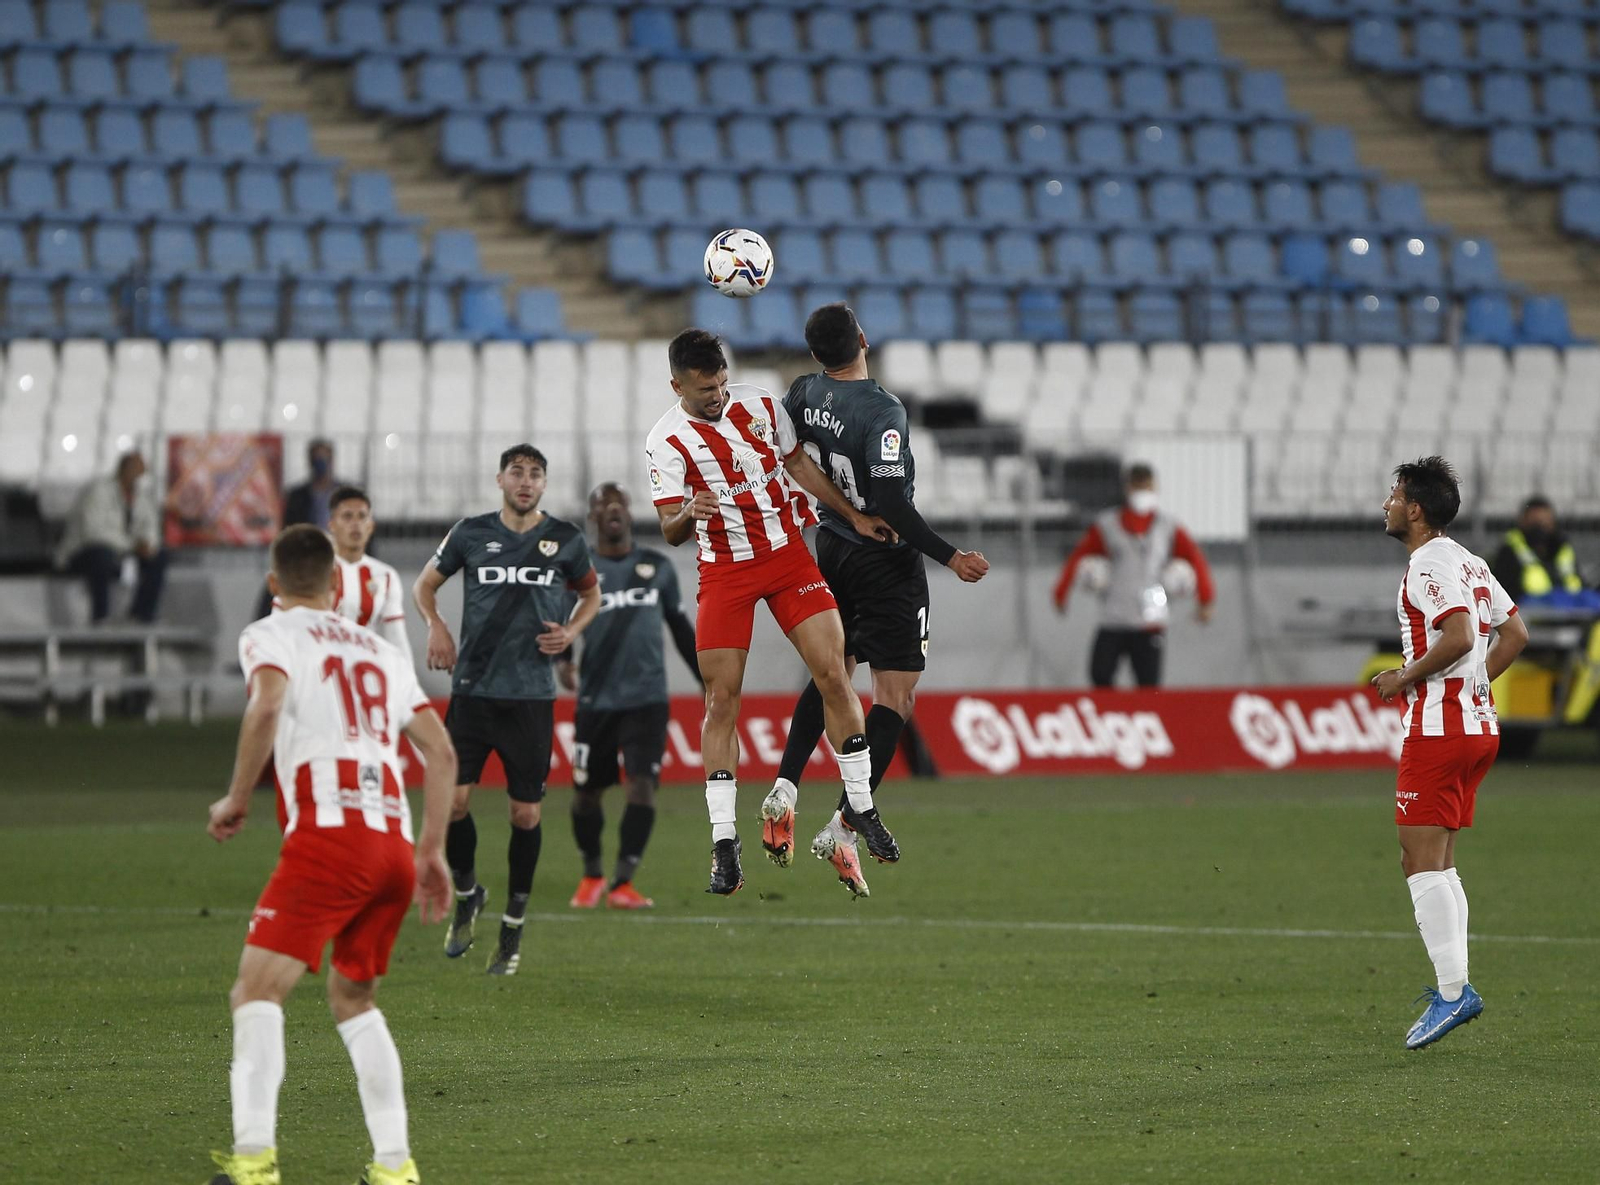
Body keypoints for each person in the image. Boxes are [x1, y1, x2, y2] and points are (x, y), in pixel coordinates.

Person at [202, 524, 458, 1185]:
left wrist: (236, 798)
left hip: (330, 838)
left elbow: (267, 705)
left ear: (273, 584)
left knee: (255, 991)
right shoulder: (380, 651)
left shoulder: (269, 633)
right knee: (353, 1000)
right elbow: (441, 752)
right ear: (338, 582)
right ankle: (395, 1166)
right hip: (393, 844)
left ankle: (254, 1161)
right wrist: (431, 850)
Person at [645, 328, 898, 897]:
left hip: (787, 558)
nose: (717, 395)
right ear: (678, 386)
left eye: (721, 383)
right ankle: (723, 844)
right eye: (705, 389)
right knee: (721, 700)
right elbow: (669, 529)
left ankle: (861, 808)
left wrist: (854, 517)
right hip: (725, 573)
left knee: (834, 673)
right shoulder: (666, 441)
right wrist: (688, 512)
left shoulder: (761, 404)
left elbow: (799, 466)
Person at [766, 303, 989, 898]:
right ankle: (843, 828)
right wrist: (950, 556)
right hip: (884, 558)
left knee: (833, 673)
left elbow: (785, 452)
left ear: (816, 354)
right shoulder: (881, 410)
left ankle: (786, 786)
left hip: (831, 546)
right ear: (863, 339)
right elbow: (889, 501)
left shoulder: (803, 392)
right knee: (894, 695)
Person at [412, 444, 600, 976]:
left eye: (535, 473)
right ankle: (468, 893)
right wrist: (436, 625)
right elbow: (424, 586)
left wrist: (571, 633)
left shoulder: (565, 539)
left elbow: (592, 596)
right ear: (500, 480)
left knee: (526, 815)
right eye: (517, 472)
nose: (525, 481)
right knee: (453, 804)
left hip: (531, 698)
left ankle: (513, 924)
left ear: (544, 484)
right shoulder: (470, 533)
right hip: (473, 691)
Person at [1370, 456, 1528, 1050]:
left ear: (1414, 509)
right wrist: (1474, 687)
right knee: (1439, 862)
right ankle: (1455, 988)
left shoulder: (1429, 563)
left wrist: (1405, 677)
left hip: (1440, 732)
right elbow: (1515, 633)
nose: (1386, 504)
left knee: (1418, 861)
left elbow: (1459, 635)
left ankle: (1454, 992)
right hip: (1476, 727)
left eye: (1394, 496)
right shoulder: (1470, 560)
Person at [558, 482, 701, 910]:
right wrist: (563, 661)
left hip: (647, 699)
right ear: (593, 516)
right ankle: (592, 874)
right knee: (586, 794)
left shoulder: (657, 567)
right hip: (596, 701)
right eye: (604, 504)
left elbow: (680, 628)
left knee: (641, 787)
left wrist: (708, 681)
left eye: (620, 502)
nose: (613, 510)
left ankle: (623, 881)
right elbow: (562, 623)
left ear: (629, 511)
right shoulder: (579, 573)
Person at [1051, 463, 1215, 689]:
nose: (1142, 493)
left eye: (1146, 487)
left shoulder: (1168, 526)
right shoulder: (1108, 525)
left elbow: (1195, 559)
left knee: (1148, 684)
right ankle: (1112, 711)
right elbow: (1079, 556)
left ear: (1155, 488)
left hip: (1151, 617)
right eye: (1138, 487)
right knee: (1100, 674)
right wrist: (1061, 591)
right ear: (1127, 488)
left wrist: (1206, 599)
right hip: (1115, 615)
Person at [272, 486, 411, 662]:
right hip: (315, 669)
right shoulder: (307, 568)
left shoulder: (385, 576)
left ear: (371, 526)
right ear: (331, 525)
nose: (356, 524)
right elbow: (279, 625)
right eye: (347, 516)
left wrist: (408, 676)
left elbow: (396, 638)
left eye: (362, 517)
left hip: (364, 672)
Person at [55, 451, 168, 624]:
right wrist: (132, 546)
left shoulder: (141, 497)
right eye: (136, 470)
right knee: (101, 556)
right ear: (123, 469)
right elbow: (93, 532)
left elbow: (150, 526)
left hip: (122, 552)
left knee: (158, 557)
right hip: (81, 554)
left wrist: (147, 544)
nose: (139, 477)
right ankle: (100, 616)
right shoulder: (98, 492)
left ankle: (142, 614)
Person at [255, 439, 344, 619]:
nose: (320, 464)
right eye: (316, 459)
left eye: (324, 459)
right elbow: (288, 530)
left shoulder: (345, 495)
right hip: (305, 556)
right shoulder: (298, 496)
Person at [1490, 495, 1585, 601]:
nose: (1540, 527)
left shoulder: (1563, 549)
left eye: (1544, 522)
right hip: (1527, 609)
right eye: (1534, 522)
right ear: (1522, 522)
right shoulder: (1510, 551)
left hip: (1573, 608)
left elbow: (1579, 584)